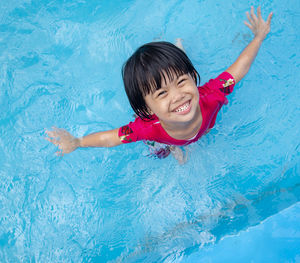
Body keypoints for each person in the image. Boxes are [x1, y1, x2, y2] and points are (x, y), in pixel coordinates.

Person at [46, 7, 273, 164]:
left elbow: (238, 69)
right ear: (146, 110)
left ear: (194, 78)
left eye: (183, 82)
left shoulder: (211, 95)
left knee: (174, 71)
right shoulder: (146, 127)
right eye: (162, 93)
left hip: (203, 123)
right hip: (165, 136)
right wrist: (78, 142)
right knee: (159, 152)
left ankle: (177, 53)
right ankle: (175, 60)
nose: (178, 96)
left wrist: (258, 38)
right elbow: (113, 137)